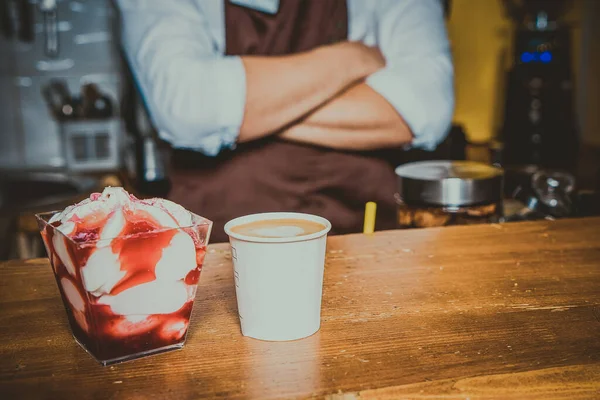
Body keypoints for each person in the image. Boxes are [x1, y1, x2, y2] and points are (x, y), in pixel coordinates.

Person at [115, 0, 454, 242]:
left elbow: (426, 109)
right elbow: (187, 108)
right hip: (223, 245)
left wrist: (247, 107)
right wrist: (351, 59)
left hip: (370, 240)